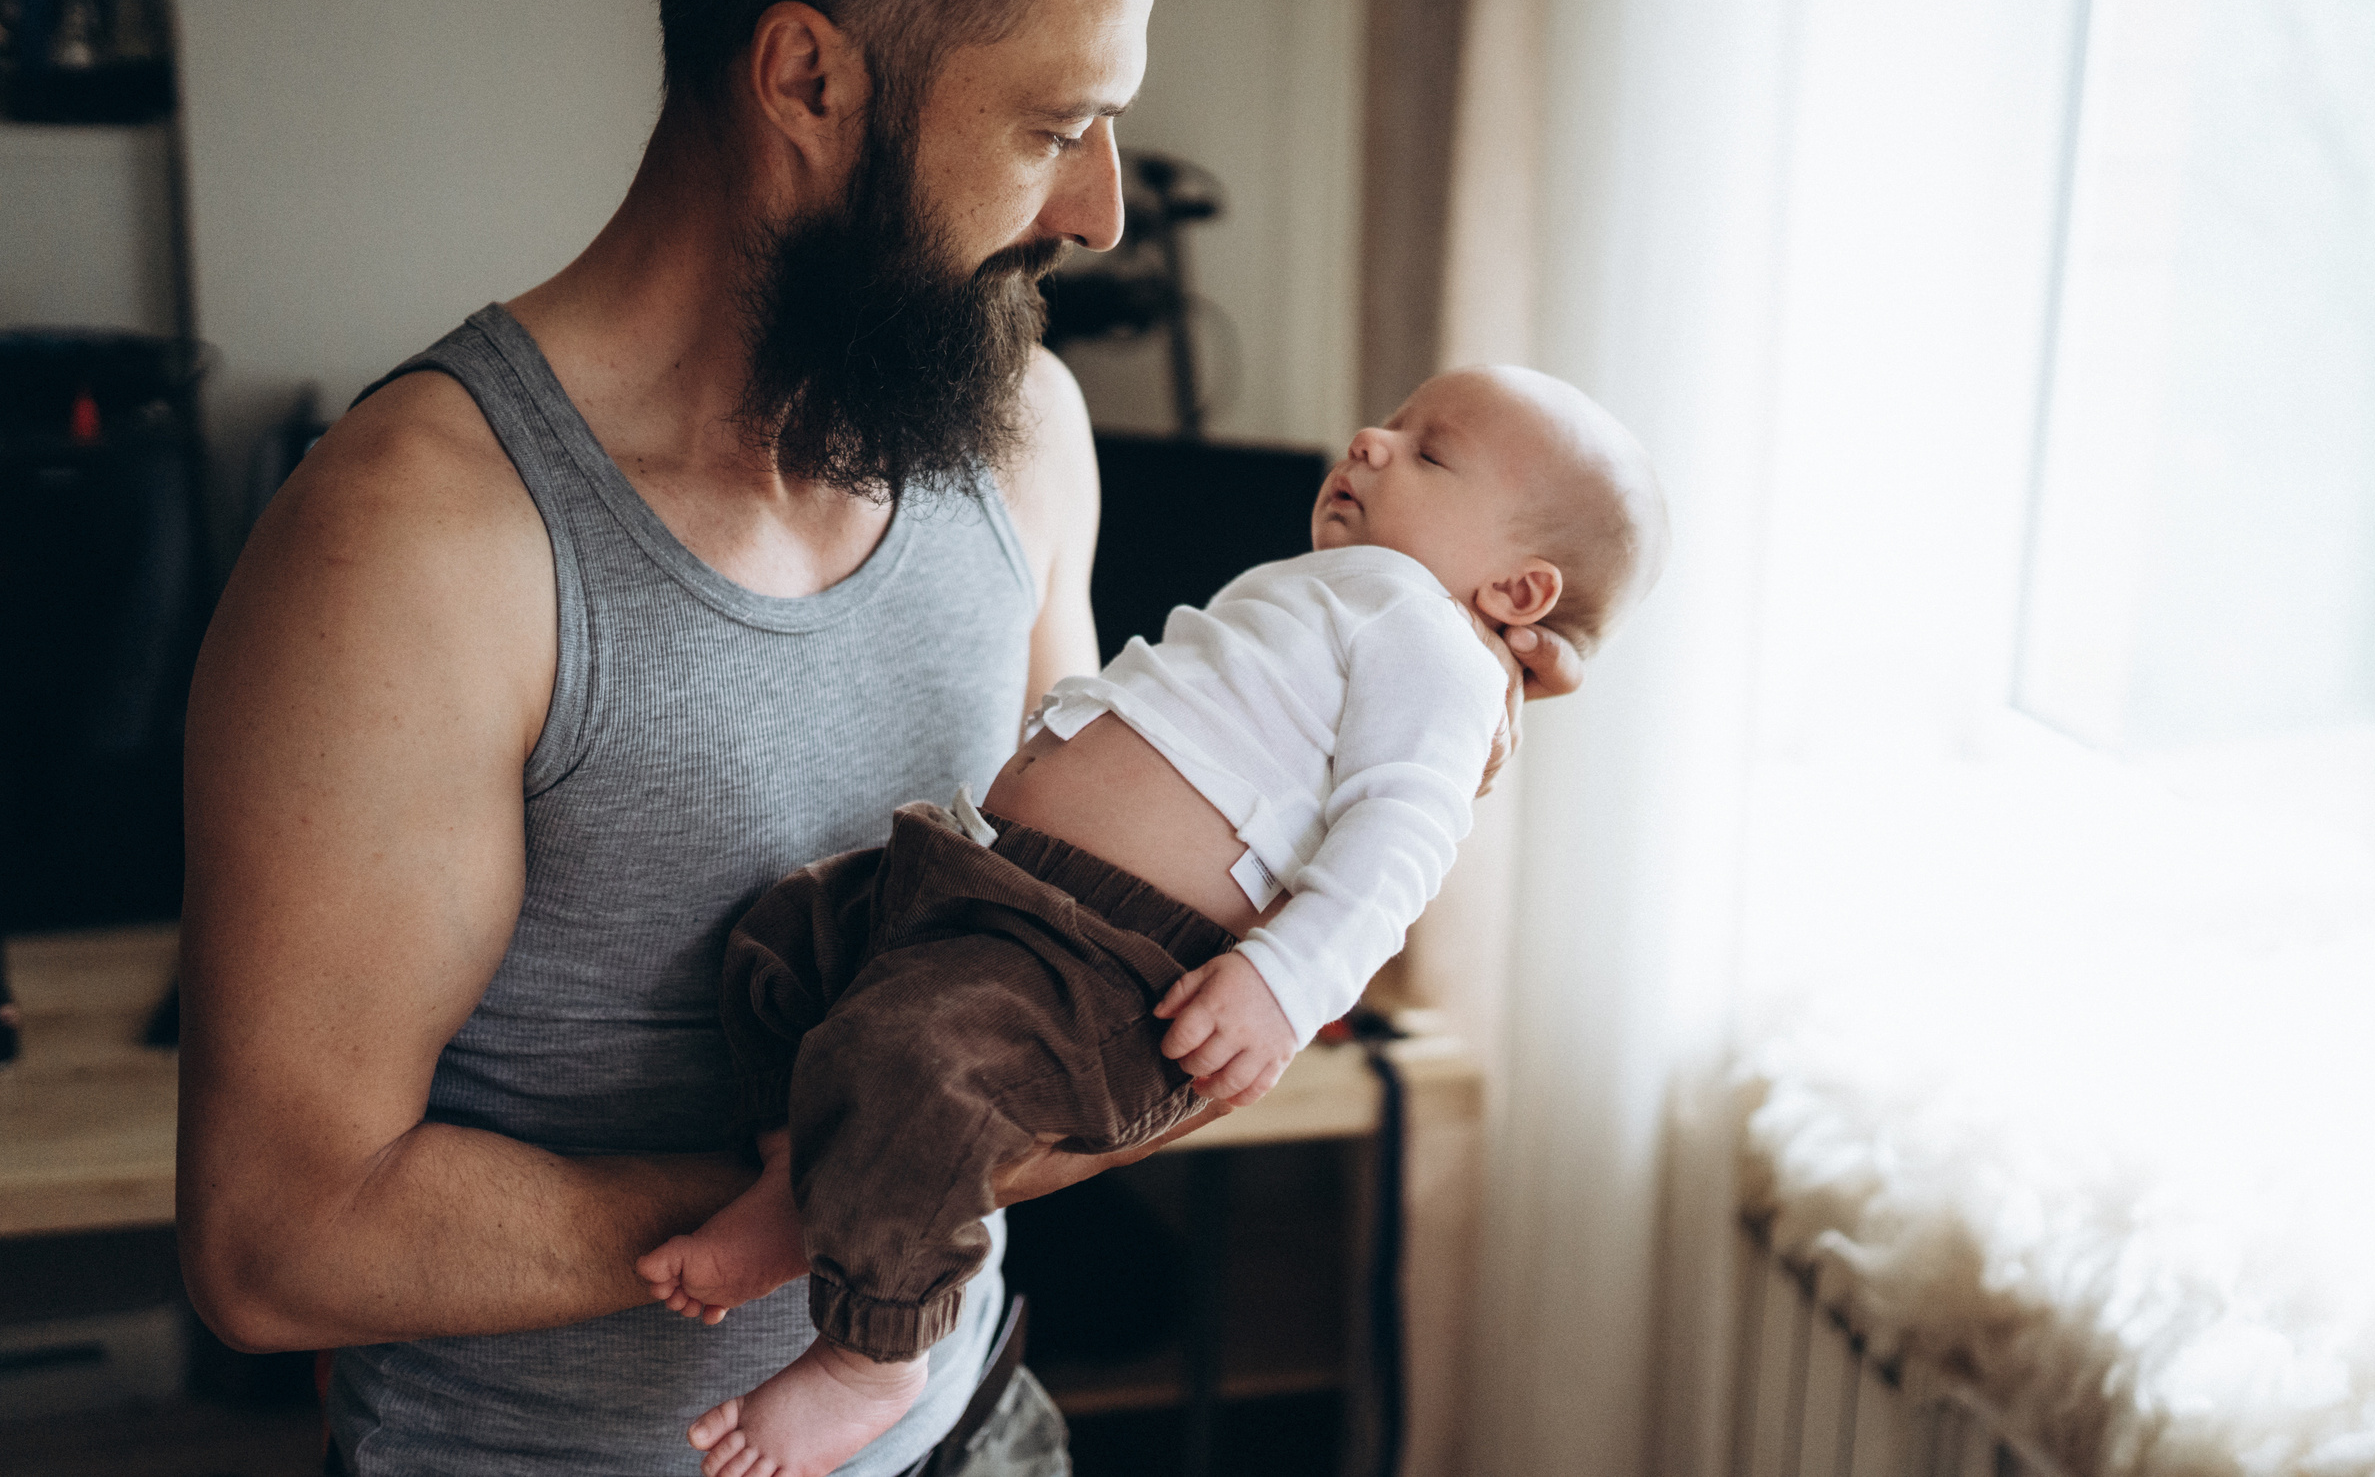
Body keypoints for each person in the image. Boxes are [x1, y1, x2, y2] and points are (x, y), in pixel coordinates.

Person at [174, 0, 1583, 1472]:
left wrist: (1430, 704)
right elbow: (276, 1243)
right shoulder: (415, 546)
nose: (1102, 212)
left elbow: (1087, 972)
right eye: (1059, 125)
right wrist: (840, 1184)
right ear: (811, 79)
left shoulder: (1023, 435)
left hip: (971, 1423)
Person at [637, 366, 1666, 1477]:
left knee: (917, 1066)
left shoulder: (1435, 646)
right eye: (1391, 421)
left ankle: (874, 1353)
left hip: (1106, 961)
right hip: (990, 884)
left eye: (1429, 453)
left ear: (1517, 595)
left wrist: (1285, 979)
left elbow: (1401, 837)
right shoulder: (1336, 595)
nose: (1370, 438)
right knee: (788, 942)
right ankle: (797, 1179)